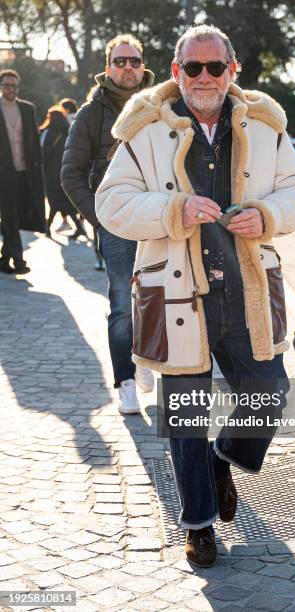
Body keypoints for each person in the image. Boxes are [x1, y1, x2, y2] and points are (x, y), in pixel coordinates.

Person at [95, 25, 295, 566]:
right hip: (175, 294)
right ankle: (197, 524)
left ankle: (224, 456)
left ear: (232, 71)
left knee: (270, 393)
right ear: (176, 72)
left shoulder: (264, 124)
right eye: (192, 67)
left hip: (247, 292)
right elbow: (111, 202)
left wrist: (265, 215)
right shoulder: (144, 127)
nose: (204, 78)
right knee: (186, 416)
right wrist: (172, 212)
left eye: (215, 67)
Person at [61, 34, 155, 412]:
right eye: (120, 62)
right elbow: (71, 174)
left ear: (143, 65)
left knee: (160, 299)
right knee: (121, 302)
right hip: (116, 224)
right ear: (108, 68)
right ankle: (126, 379)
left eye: (134, 61)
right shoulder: (90, 113)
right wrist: (100, 219)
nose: (128, 68)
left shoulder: (162, 103)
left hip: (160, 218)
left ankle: (146, 357)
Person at [0, 69, 45, 274]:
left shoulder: (27, 109)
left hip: (24, 173)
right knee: (10, 215)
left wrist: (38, 171)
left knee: (14, 216)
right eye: (7, 85)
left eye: (14, 86)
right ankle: (18, 260)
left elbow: (34, 143)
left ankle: (4, 259)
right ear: (1, 87)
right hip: (3, 174)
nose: (11, 89)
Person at [40, 105, 87, 239]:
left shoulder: (48, 132)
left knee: (55, 201)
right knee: (63, 201)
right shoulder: (69, 131)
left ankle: (48, 228)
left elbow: (44, 152)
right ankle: (74, 228)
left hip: (51, 173)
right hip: (67, 171)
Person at [56, 98, 79, 233]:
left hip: (67, 159)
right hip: (82, 161)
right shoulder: (81, 117)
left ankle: (66, 222)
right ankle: (80, 223)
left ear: (67, 109)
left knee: (64, 192)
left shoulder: (66, 121)